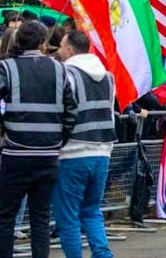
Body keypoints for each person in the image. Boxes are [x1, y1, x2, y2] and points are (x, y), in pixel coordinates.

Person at [0, 21, 78, 258]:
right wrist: (59, 139)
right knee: (40, 217)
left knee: (5, 217)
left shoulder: (8, 67)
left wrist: (1, 125)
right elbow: (72, 109)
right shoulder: (60, 69)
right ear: (43, 42)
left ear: (17, 41)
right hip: (47, 154)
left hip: (16, 153)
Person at [52, 31, 117, 258]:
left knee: (67, 216)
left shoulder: (65, 74)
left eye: (60, 45)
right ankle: (103, 254)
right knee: (91, 211)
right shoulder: (108, 77)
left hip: (73, 152)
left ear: (69, 48)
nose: (58, 49)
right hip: (102, 150)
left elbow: (61, 112)